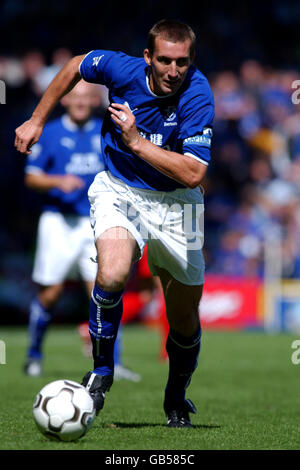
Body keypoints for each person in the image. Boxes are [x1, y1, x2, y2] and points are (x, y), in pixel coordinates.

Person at [15, 19, 214, 428]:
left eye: (182, 61)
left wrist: (137, 142)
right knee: (112, 270)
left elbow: (194, 174)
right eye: (164, 60)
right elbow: (73, 65)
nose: (173, 70)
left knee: (184, 318)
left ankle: (176, 396)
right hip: (118, 190)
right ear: (148, 58)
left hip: (180, 204)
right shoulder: (121, 69)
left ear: (191, 60)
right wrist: (36, 119)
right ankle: (102, 370)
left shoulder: (198, 93)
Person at [23, 80, 141, 382]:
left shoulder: (104, 131)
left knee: (105, 290)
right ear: (64, 101)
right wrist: (58, 182)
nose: (80, 102)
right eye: (74, 97)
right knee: (51, 294)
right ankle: (33, 356)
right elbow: (32, 178)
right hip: (58, 221)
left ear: (93, 101)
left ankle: (113, 363)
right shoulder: (50, 133)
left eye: (86, 98)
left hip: (94, 222)